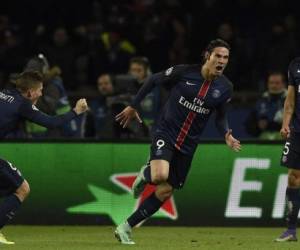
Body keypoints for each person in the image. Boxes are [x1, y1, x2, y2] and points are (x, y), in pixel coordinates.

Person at [114, 39, 241, 244]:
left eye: (225, 57)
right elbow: (153, 80)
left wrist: (226, 133)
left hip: (188, 145)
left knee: (165, 190)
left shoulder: (225, 87)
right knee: (160, 175)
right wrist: (133, 106)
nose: (222, 61)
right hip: (166, 132)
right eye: (218, 56)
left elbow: (220, 117)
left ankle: (126, 227)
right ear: (207, 56)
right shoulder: (184, 72)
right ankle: (146, 173)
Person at [0, 71, 88, 244]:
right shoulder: (22, 104)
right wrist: (76, 111)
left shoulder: (4, 93)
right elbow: (52, 122)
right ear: (30, 92)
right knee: (22, 189)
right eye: (40, 90)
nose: (41, 94)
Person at [276, 58, 300, 242]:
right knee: (293, 177)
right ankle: (291, 229)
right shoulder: (295, 65)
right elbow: (290, 100)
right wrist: (286, 124)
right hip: (298, 130)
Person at [245, 72, 287, 140]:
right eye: (271, 83)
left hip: (286, 141)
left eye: (277, 83)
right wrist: (258, 127)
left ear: (284, 84)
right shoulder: (261, 100)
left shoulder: (292, 100)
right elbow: (249, 124)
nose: (274, 86)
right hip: (264, 141)